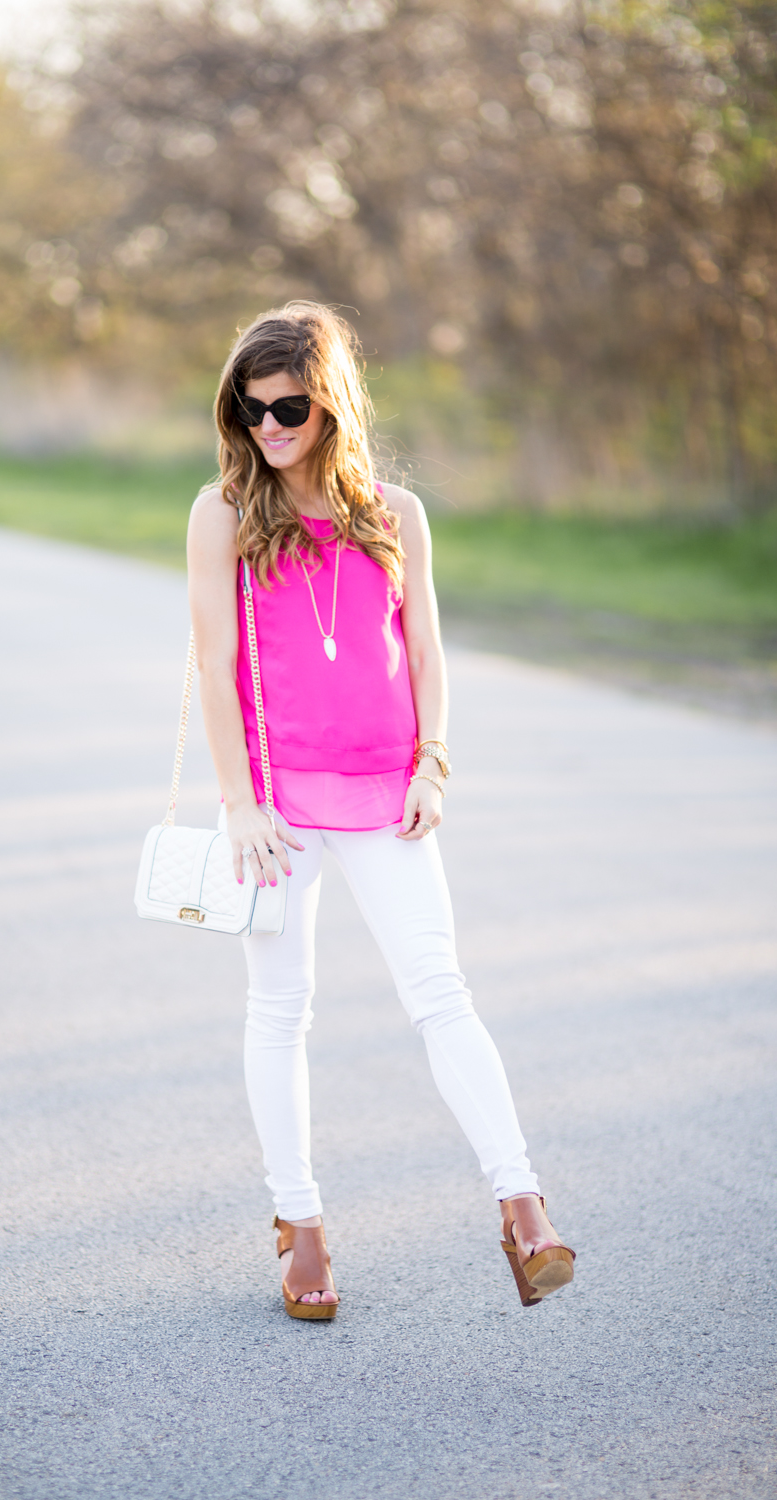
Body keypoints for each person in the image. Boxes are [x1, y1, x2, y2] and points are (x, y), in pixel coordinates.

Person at [187, 301, 575, 1320]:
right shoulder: (220, 514)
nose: (269, 425)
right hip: (272, 813)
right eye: (250, 406)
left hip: (384, 798)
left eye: (289, 406)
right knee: (280, 1012)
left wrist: (432, 764)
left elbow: (429, 652)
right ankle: (300, 1228)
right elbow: (216, 670)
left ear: (330, 406)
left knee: (439, 993)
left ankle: (521, 1204)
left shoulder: (395, 513)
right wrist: (237, 804)